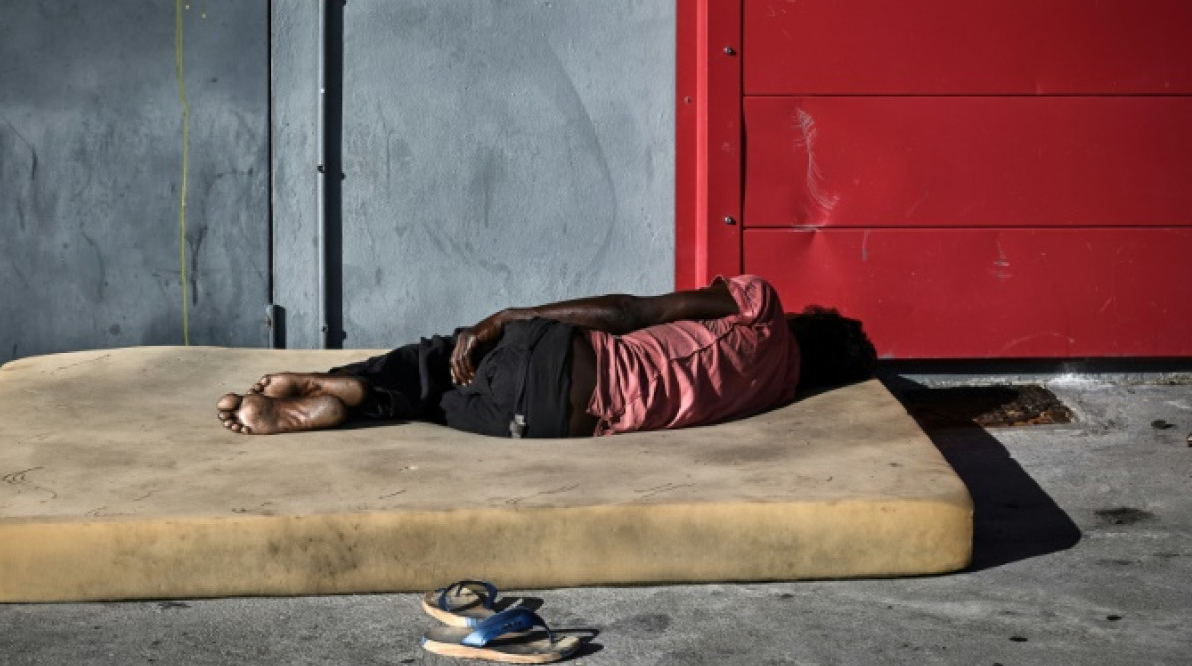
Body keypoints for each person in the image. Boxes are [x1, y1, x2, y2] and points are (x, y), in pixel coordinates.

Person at [216, 275, 876, 439]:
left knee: (443, 353)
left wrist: (511, 318)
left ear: (809, 323)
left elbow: (631, 313)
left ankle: (344, 385)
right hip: (541, 423)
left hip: (554, 353)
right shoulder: (773, 393)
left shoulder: (757, 306)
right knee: (439, 405)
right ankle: (339, 402)